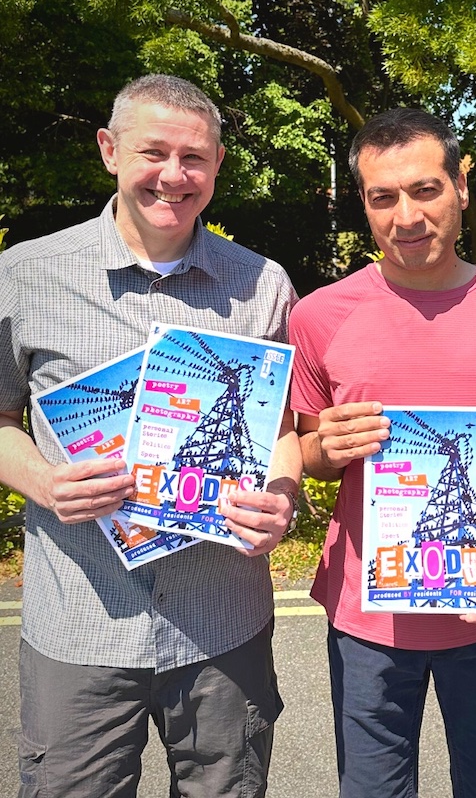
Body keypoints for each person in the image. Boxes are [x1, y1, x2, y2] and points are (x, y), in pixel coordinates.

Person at [0, 74, 301, 797]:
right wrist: (43, 482)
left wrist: (282, 499)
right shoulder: (25, 276)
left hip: (222, 621)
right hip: (81, 622)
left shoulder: (263, 285)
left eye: (193, 157)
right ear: (109, 150)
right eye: (153, 152)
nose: (173, 175)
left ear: (218, 164)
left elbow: (286, 428)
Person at [288, 107, 476, 798]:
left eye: (425, 190)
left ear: (461, 187)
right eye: (383, 197)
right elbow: (305, 450)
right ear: (364, 205)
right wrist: (325, 449)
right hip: (368, 618)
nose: (405, 216)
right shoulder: (317, 316)